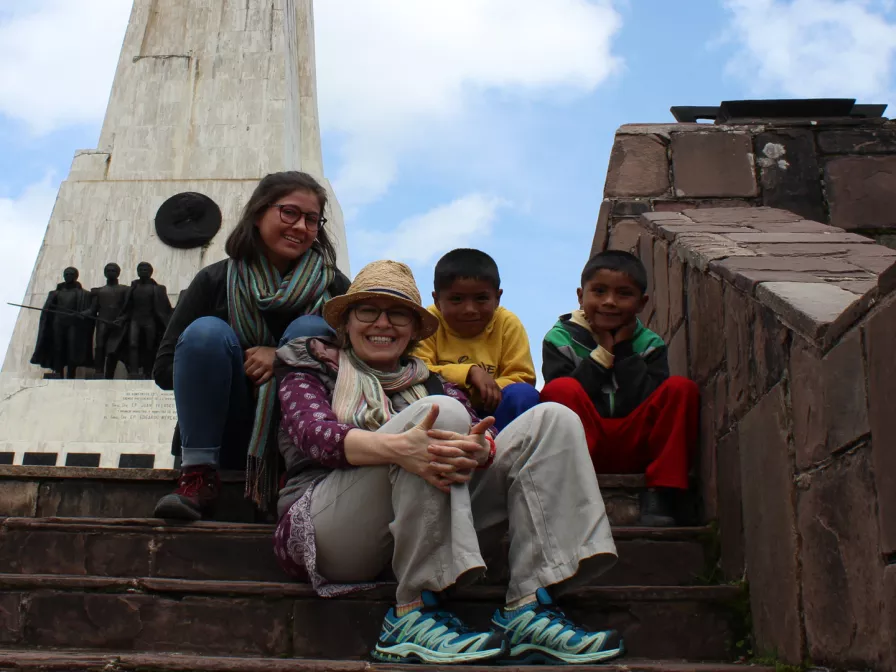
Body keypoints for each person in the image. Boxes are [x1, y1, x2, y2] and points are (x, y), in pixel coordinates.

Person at [272, 259, 623, 665]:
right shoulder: (311, 365)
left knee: (553, 419)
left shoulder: (433, 382)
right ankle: (411, 612)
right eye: (368, 311)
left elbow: (483, 434)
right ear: (346, 323)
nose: (382, 324)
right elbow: (316, 438)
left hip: (423, 527)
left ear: (414, 330)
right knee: (437, 416)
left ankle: (529, 605)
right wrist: (400, 448)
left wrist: (481, 451)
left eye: (398, 314)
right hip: (332, 529)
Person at [152, 171, 350, 521]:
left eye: (312, 219)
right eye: (289, 212)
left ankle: (299, 471)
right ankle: (198, 476)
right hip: (227, 429)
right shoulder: (215, 279)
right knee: (206, 333)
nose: (300, 226)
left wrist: (283, 358)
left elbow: (358, 366)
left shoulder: (334, 287)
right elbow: (165, 370)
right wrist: (234, 357)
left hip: (303, 438)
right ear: (259, 214)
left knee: (309, 329)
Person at [540, 250, 699, 527]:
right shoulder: (560, 338)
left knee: (680, 389)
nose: (609, 302)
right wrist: (603, 353)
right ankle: (570, 495)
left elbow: (642, 400)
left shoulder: (650, 344)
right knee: (560, 389)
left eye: (623, 294)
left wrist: (623, 349)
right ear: (580, 296)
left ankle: (663, 494)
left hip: (635, 443)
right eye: (598, 291)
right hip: (583, 446)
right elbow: (566, 400)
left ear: (642, 303)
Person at [414, 249, 539, 432]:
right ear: (437, 300)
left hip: (495, 411)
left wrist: (488, 388)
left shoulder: (507, 323)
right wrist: (470, 373)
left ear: (497, 298)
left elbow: (523, 377)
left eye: (481, 298)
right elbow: (417, 370)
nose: (470, 309)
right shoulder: (429, 322)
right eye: (456, 299)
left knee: (523, 395)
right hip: (446, 413)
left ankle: (508, 454)